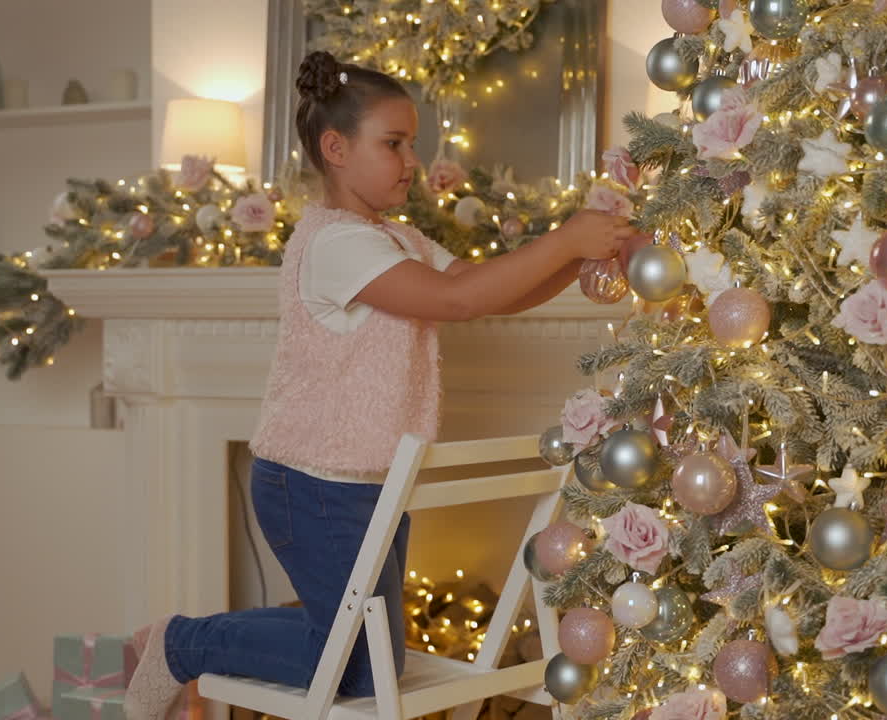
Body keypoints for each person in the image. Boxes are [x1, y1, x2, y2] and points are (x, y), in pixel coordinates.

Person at [124, 50, 633, 720]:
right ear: (336, 149)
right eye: (393, 144)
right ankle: (180, 643)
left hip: (371, 484)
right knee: (363, 665)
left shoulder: (396, 238)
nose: (411, 161)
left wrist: (574, 260)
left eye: (411, 144)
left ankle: (186, 640)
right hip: (311, 483)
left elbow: (482, 291)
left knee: (362, 655)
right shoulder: (336, 244)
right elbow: (456, 302)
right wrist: (566, 241)